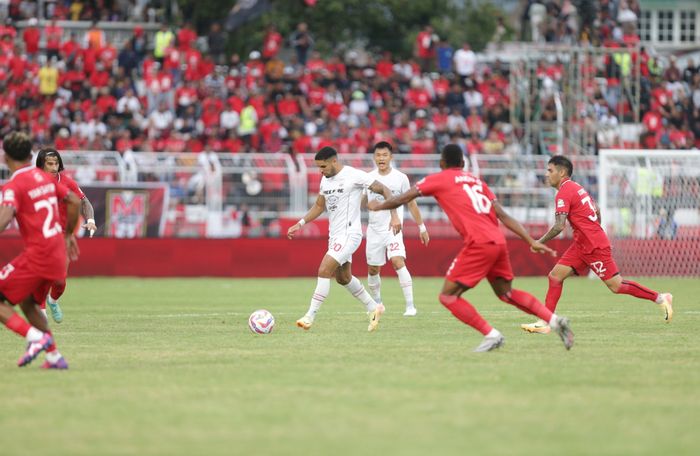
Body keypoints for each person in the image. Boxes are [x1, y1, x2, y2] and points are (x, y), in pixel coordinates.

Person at [368, 144, 574, 352]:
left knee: (447, 296)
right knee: (506, 293)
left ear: (441, 163)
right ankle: (554, 320)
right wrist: (530, 240)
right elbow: (502, 214)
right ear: (464, 164)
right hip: (498, 242)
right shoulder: (477, 182)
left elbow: (404, 197)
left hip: (479, 243)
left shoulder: (438, 179)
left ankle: (491, 335)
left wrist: (379, 205)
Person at [521, 156, 673, 333]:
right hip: (582, 244)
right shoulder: (577, 187)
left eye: (550, 170)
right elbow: (597, 209)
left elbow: (559, 226)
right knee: (555, 276)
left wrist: (538, 242)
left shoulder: (564, 192)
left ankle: (661, 298)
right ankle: (546, 322)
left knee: (616, 286)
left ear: (562, 172)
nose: (547, 175)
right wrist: (594, 229)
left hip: (593, 246)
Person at [287, 146, 401, 332]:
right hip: (335, 236)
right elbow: (318, 206)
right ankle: (374, 307)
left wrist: (394, 216)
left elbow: (385, 190)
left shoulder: (353, 175)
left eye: (323, 166)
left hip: (350, 234)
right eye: (318, 167)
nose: (320, 171)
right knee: (343, 277)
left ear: (334, 161)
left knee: (324, 270)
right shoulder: (325, 180)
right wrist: (300, 223)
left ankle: (309, 316)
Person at [0, 132, 80, 369]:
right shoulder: (46, 179)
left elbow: (4, 219)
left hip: (39, 255)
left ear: (5, 157)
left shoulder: (14, 185)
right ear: (30, 155)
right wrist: (67, 235)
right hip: (57, 254)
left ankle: (36, 338)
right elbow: (74, 201)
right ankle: (54, 356)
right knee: (27, 302)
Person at [363, 141, 429, 317]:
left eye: (385, 155)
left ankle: (410, 306)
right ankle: (377, 304)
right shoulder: (368, 178)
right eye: (378, 155)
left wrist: (421, 227)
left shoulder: (400, 178)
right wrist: (367, 204)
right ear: (374, 158)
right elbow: (363, 202)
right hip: (374, 230)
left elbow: (412, 203)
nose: (381, 158)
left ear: (391, 157)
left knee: (398, 261)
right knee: (372, 269)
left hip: (393, 228)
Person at [36, 148, 97, 323]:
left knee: (60, 281)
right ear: (41, 165)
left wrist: (91, 219)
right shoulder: (33, 182)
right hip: (41, 236)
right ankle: (41, 314)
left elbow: (84, 201)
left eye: (56, 163)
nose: (54, 167)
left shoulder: (67, 183)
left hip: (63, 236)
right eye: (49, 163)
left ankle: (53, 300)